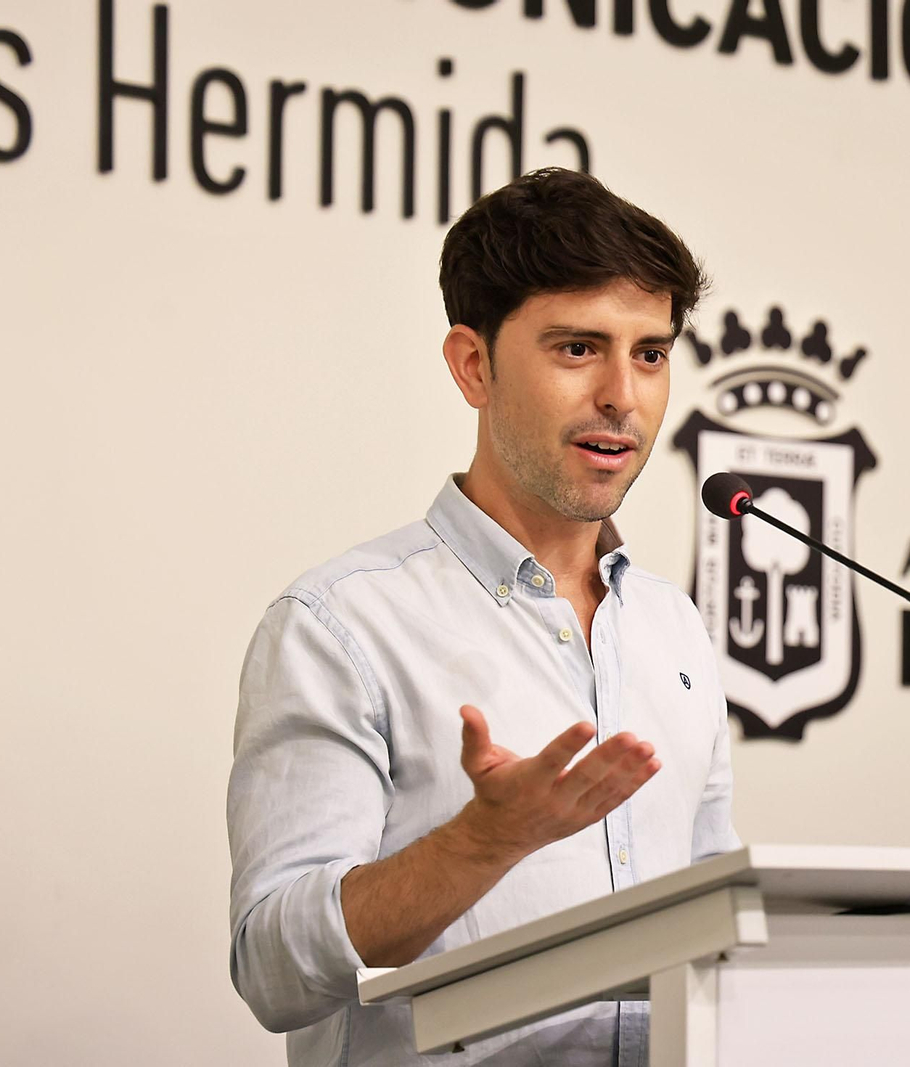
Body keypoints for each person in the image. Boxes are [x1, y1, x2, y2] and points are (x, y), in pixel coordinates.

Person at [226, 168, 738, 1067]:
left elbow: (715, 928)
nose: (624, 394)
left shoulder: (676, 629)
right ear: (474, 365)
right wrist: (483, 841)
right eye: (579, 349)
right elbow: (273, 969)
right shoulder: (341, 623)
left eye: (650, 353)